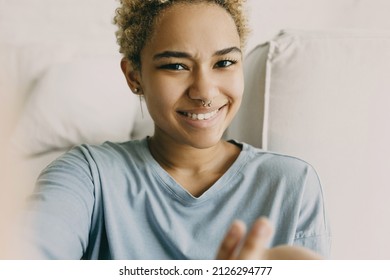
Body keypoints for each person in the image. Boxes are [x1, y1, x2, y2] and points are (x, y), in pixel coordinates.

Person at [19, 0, 330, 259]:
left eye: (224, 63)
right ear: (134, 76)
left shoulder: (292, 184)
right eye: (176, 66)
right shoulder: (88, 175)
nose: (205, 92)